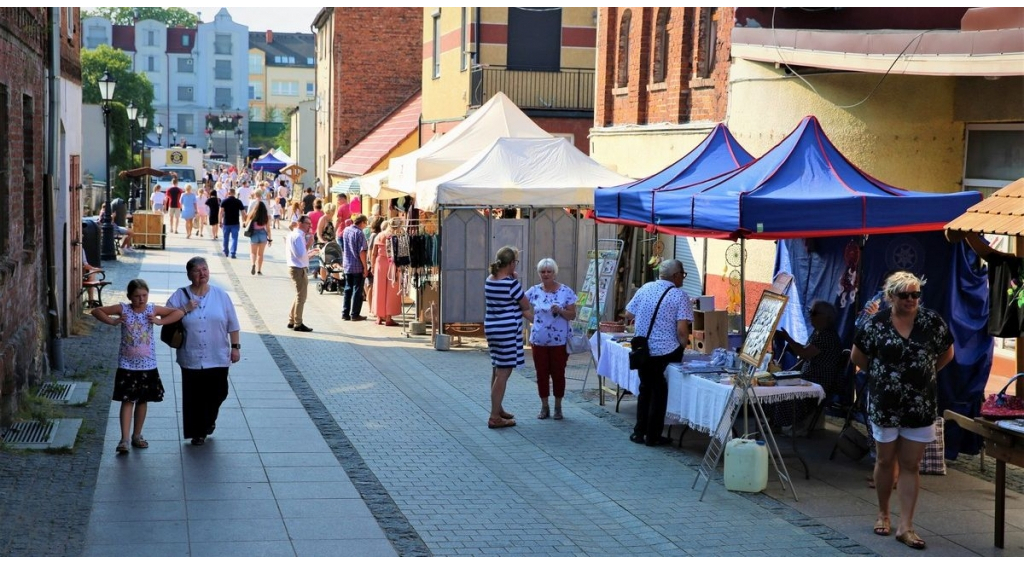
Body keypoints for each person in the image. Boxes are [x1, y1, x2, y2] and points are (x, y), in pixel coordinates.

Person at [851, 271, 954, 550]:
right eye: (905, 295)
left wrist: (927, 373)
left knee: (911, 465)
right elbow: (858, 356)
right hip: (885, 404)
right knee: (885, 462)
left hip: (919, 405)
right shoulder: (877, 324)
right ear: (891, 296)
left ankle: (906, 525)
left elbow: (947, 352)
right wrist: (882, 378)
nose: (911, 299)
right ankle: (883, 513)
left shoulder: (931, 321)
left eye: (915, 294)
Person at [92, 279, 183, 454]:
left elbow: (178, 313)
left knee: (142, 400)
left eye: (144, 295)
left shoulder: (152, 310)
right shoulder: (123, 309)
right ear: (129, 297)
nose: (141, 299)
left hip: (147, 364)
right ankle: (124, 438)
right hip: (127, 364)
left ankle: (137, 435)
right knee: (127, 400)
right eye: (137, 296)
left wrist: (160, 321)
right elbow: (97, 310)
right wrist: (113, 321)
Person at [166, 257, 242, 446]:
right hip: (190, 354)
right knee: (194, 396)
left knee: (219, 392)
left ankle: (208, 421)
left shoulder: (221, 295)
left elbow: (233, 323)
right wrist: (185, 309)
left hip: (217, 354)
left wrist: (235, 347)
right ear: (189, 274)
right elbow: (165, 315)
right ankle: (197, 432)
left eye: (205, 269)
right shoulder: (180, 295)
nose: (202, 273)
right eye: (197, 270)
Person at [623, 259, 693, 447]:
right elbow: (681, 330)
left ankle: (639, 432)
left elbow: (629, 314)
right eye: (683, 275)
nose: (683, 278)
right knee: (659, 393)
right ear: (676, 275)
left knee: (645, 389)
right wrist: (683, 346)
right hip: (665, 351)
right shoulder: (680, 296)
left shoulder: (645, 288)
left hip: (643, 348)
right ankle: (653, 436)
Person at [773, 300, 845, 434]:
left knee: (785, 391)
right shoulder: (817, 333)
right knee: (779, 384)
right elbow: (804, 352)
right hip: (809, 377)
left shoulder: (827, 336)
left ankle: (784, 425)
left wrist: (788, 339)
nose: (810, 316)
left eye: (814, 313)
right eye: (810, 312)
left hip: (819, 381)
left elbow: (804, 353)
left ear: (826, 317)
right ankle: (777, 422)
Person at [484, 246, 534, 429]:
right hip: (507, 331)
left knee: (496, 369)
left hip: (492, 328)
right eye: (515, 262)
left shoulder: (489, 280)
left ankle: (497, 408)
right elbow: (525, 305)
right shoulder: (512, 284)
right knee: (504, 373)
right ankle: (494, 416)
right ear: (511, 263)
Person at [525, 258, 577, 420]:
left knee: (558, 373)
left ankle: (558, 407)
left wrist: (561, 311)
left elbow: (572, 315)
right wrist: (534, 319)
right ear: (539, 273)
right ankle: (544, 406)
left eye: (549, 271)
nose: (546, 274)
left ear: (555, 273)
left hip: (559, 342)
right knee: (541, 373)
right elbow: (520, 306)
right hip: (539, 340)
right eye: (542, 271)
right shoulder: (534, 291)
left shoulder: (565, 291)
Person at [369, 217, 403, 327]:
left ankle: (379, 317)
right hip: (392, 263)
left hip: (380, 262)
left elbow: (373, 253)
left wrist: (373, 266)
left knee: (379, 289)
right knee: (391, 290)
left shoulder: (379, 235)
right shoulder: (396, 236)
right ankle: (388, 317)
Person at [287, 215, 317, 333]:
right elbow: (300, 254)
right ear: (300, 223)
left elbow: (299, 252)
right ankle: (298, 323)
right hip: (298, 268)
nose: (309, 226)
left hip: (296, 267)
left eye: (310, 224)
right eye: (307, 223)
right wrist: (309, 246)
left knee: (299, 295)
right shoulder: (298, 236)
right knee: (301, 296)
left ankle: (292, 319)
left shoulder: (294, 234)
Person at [341, 215, 369, 321]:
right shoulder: (359, 233)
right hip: (357, 265)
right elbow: (362, 252)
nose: (365, 225)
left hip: (347, 264)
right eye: (365, 223)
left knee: (348, 289)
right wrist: (365, 267)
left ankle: (345, 313)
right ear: (361, 222)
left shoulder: (346, 230)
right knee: (357, 290)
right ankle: (355, 314)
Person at [245, 193, 272, 275]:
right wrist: (270, 239)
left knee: (253, 253)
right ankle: (259, 270)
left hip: (254, 234)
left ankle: (253, 264)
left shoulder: (252, 215)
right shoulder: (265, 217)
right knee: (260, 254)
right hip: (263, 235)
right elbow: (268, 229)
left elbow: (246, 224)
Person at [220, 188, 245, 259]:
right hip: (235, 223)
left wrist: (220, 221)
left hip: (226, 222)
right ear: (234, 193)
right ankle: (233, 252)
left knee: (225, 238)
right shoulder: (238, 201)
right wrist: (244, 221)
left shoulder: (224, 201)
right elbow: (243, 212)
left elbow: (221, 212)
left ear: (228, 193)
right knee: (234, 238)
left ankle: (225, 252)